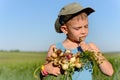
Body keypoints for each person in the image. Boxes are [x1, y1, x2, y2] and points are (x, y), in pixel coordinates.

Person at [41, 2, 114, 80]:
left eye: (86, 26)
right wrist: (45, 69)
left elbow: (109, 72)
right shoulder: (55, 48)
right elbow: (43, 77)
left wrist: (93, 53)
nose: (83, 31)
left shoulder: (91, 47)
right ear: (65, 29)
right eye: (78, 28)